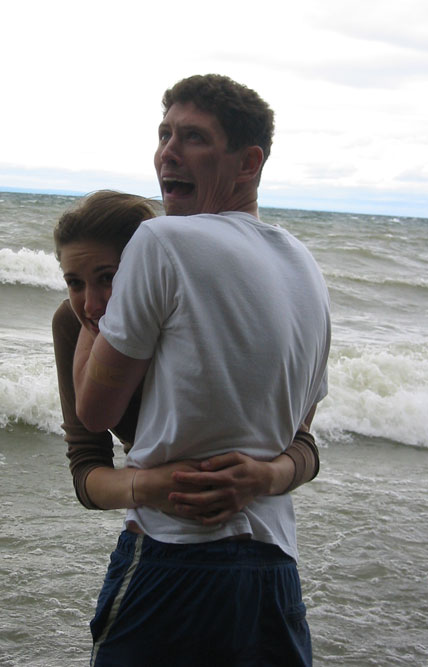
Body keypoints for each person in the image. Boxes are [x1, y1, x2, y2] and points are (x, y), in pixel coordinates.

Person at [72, 74, 331, 666]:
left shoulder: (160, 241)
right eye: (164, 134)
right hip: (273, 571)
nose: (168, 152)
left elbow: (95, 410)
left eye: (193, 138)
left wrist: (85, 312)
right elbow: (302, 434)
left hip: (173, 558)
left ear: (248, 162)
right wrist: (263, 477)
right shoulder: (306, 268)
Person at [53, 190, 320, 516]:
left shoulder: (196, 307)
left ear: (142, 268)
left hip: (256, 523)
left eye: (108, 278)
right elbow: (86, 466)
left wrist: (265, 478)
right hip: (159, 525)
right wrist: (147, 486)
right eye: (75, 283)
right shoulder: (73, 323)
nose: (90, 303)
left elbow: (302, 439)